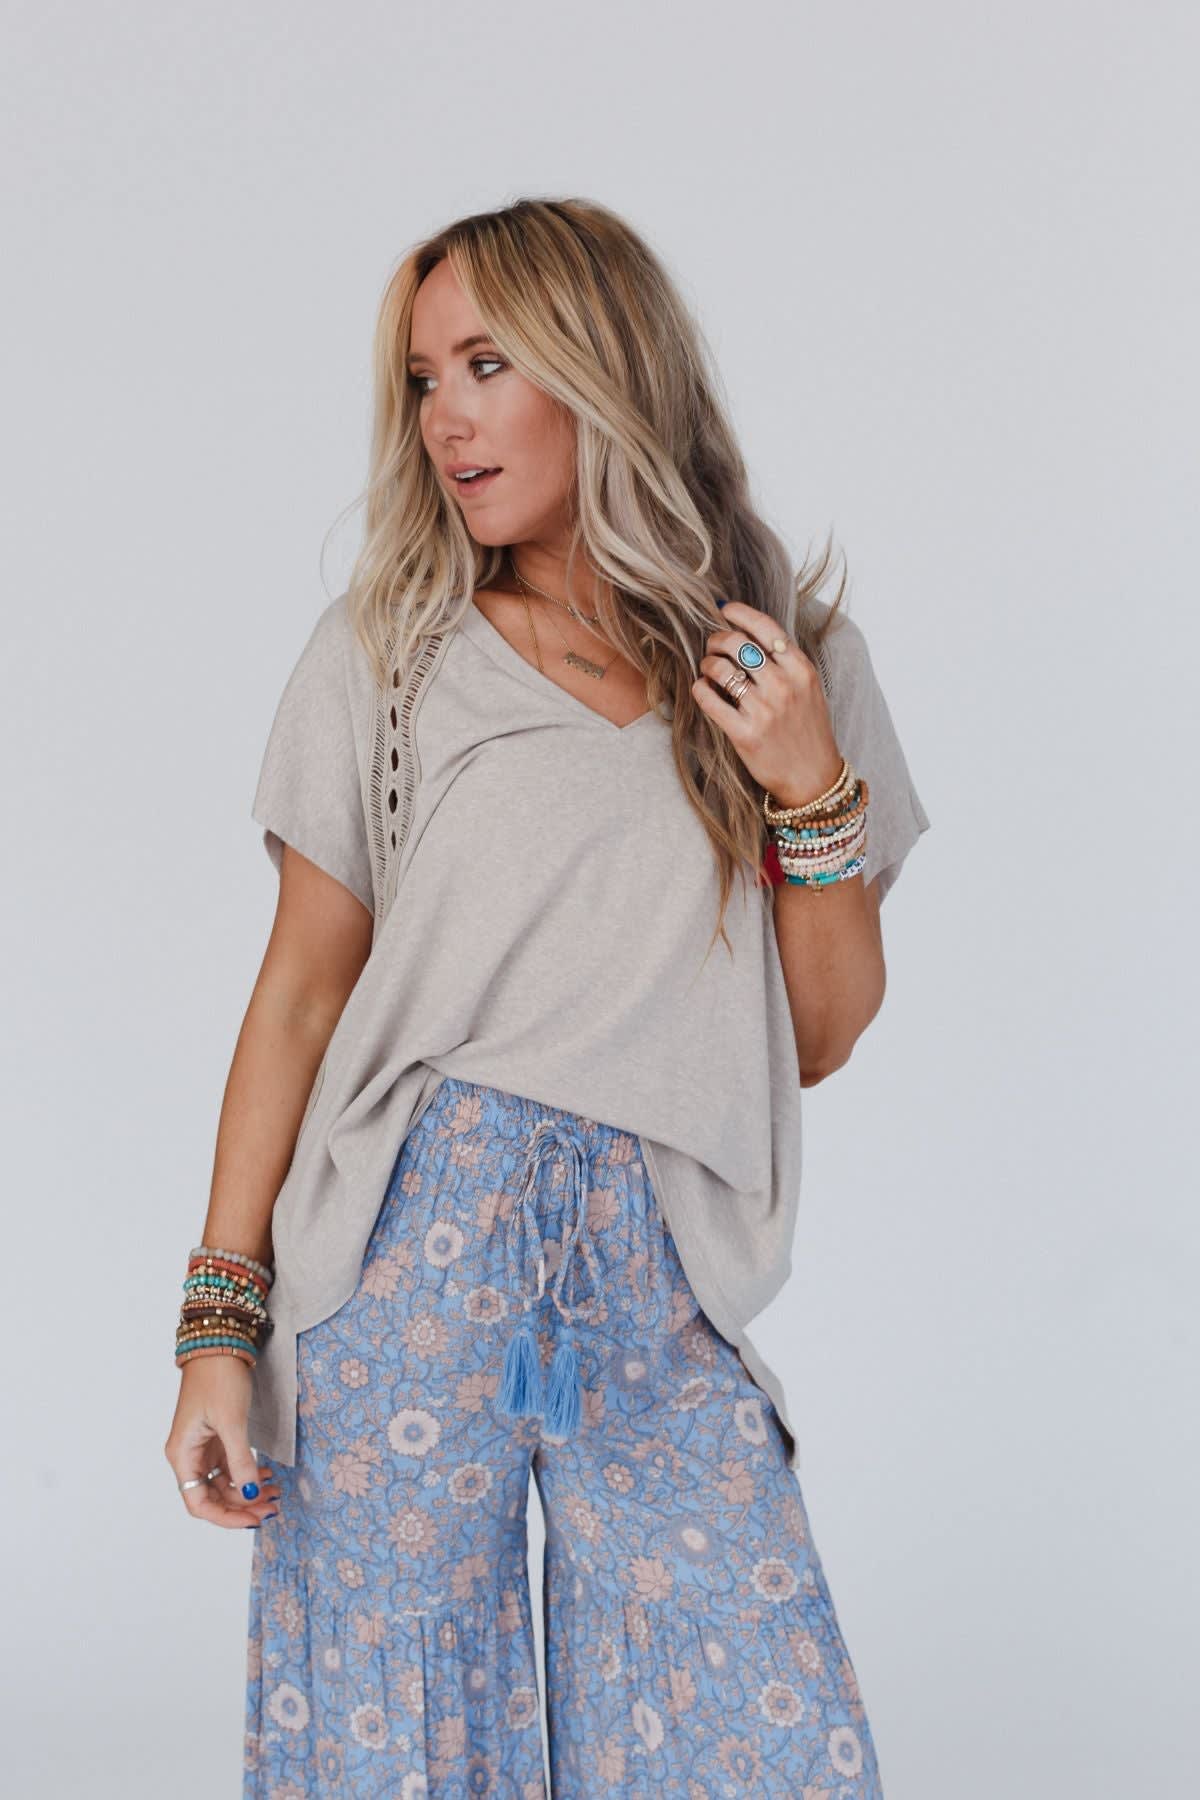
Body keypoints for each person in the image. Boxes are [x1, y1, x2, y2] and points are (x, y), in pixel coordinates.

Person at [164, 195, 931, 1797]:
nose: (444, 418)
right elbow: (299, 996)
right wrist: (217, 1330)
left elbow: (823, 1034)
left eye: (486, 364)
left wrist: (808, 785)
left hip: (658, 1269)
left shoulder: (788, 660)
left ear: (603, 368)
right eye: (421, 379)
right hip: (405, 1250)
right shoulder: (389, 652)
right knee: (399, 1747)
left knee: (751, 1735)